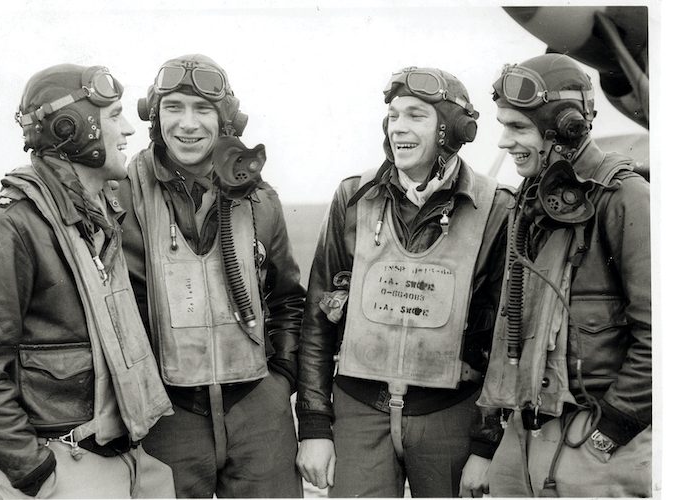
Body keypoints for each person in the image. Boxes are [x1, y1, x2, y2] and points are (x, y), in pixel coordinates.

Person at [295, 66, 513, 497]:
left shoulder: (497, 208)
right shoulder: (353, 198)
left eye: (415, 115)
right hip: (360, 412)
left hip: (450, 414)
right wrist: (315, 425)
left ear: (452, 129)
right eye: (393, 116)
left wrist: (486, 444)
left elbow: (505, 338)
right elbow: (318, 318)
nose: (398, 127)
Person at [0, 64, 175, 498]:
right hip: (66, 466)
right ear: (74, 128)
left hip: (128, 458)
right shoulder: (6, 225)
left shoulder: (98, 216)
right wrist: (35, 473)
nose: (128, 129)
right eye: (114, 115)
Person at [116, 54, 305, 498]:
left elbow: (287, 300)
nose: (188, 124)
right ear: (153, 115)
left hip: (257, 409)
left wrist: (281, 379)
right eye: (173, 107)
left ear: (226, 120)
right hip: (165, 415)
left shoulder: (261, 200)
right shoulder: (119, 199)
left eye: (203, 109)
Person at [478, 53, 651, 497]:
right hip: (526, 429)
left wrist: (611, 430)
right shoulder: (530, 199)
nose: (504, 142)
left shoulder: (624, 196)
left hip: (594, 434)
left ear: (565, 129)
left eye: (518, 128)